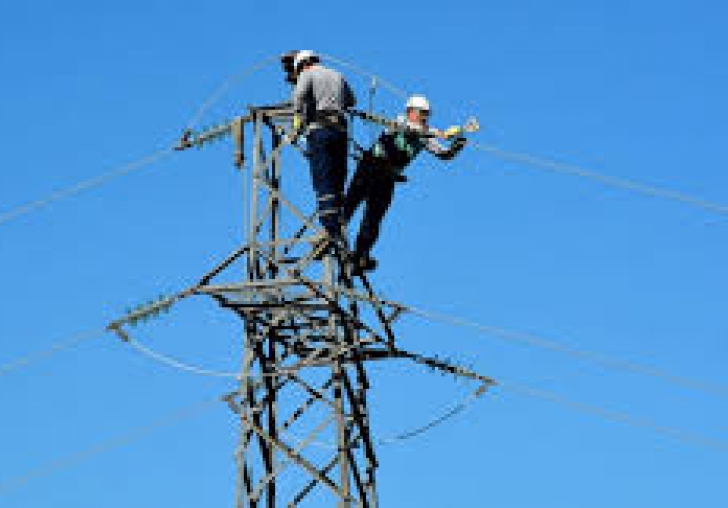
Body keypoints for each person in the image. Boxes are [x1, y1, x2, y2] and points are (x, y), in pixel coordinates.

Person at [344, 95, 468, 274]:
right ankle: (332, 233)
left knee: (374, 218)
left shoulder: (425, 135)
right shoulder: (400, 121)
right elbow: (411, 129)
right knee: (351, 202)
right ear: (410, 112)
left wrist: (457, 145)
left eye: (427, 114)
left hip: (388, 176)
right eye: (422, 113)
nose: (424, 117)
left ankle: (360, 255)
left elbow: (443, 154)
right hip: (372, 165)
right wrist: (441, 133)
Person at [290, 50, 356, 251]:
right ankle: (338, 223)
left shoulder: (306, 75)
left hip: (320, 130)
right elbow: (351, 101)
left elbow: (299, 96)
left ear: (301, 66)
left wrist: (297, 121)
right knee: (337, 181)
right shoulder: (338, 75)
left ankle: (329, 230)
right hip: (341, 131)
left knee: (323, 180)